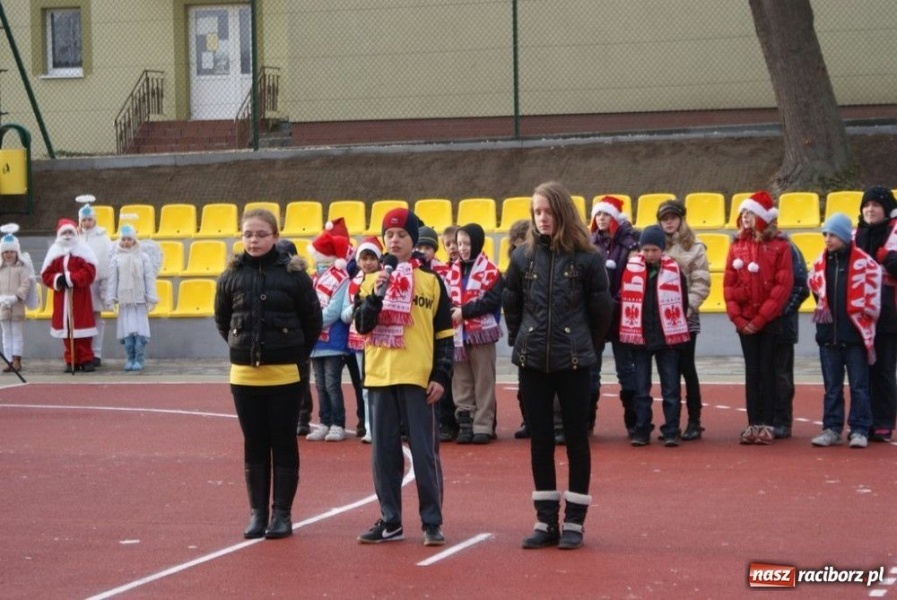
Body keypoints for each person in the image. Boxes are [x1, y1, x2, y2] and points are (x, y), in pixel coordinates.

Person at [502, 181, 612, 550]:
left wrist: (584, 347)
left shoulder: (588, 259)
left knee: (577, 440)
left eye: (548, 211)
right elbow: (512, 304)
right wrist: (523, 339)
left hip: (575, 363)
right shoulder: (522, 257)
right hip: (532, 362)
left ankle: (575, 523)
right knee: (541, 441)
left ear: (563, 212)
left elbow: (601, 313)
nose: (542, 218)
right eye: (537, 212)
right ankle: (545, 520)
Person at [215, 208, 322, 540]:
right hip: (244, 377)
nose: (254, 240)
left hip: (286, 375)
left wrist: (291, 354)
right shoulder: (230, 276)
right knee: (255, 443)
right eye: (248, 234)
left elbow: (312, 321)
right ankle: (257, 513)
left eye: (261, 234)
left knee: (284, 442)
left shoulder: (294, 275)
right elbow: (222, 320)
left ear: (275, 236)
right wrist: (241, 346)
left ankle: (282, 514)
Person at [355, 207, 453, 547]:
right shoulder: (369, 280)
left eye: (402, 235)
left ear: (413, 240)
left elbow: (444, 334)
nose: (395, 240)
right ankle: (390, 519)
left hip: (418, 379)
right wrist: (376, 295)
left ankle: (432, 522)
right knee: (384, 456)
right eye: (390, 235)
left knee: (424, 453)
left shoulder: (431, 281)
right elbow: (362, 325)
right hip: (381, 377)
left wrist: (441, 374)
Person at [723, 191, 793, 445]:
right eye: (743, 213)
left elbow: (781, 287)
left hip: (769, 322)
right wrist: (740, 321)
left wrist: (760, 319)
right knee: (752, 372)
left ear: (762, 217)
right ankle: (753, 423)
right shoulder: (736, 246)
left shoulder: (780, 247)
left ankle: (768, 423)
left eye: (750, 213)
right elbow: (729, 286)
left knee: (768, 371)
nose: (745, 217)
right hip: (745, 323)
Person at [808, 212, 881, 449]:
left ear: (844, 236)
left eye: (832, 234)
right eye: (825, 234)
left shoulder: (864, 264)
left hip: (855, 336)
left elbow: (872, 300)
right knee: (832, 387)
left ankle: (859, 429)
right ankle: (831, 428)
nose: (827, 239)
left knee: (859, 386)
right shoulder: (820, 264)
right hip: (829, 336)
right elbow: (818, 294)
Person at [620, 225, 691, 446]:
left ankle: (671, 429)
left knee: (670, 388)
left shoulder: (673, 271)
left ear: (662, 249)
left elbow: (683, 301)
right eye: (646, 249)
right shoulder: (631, 270)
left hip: (666, 339)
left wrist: (674, 326)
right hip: (640, 339)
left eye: (654, 249)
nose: (649, 254)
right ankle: (642, 429)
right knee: (641, 389)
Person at [656, 200, 710, 441]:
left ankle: (695, 421)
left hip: (686, 318)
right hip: (661, 320)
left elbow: (701, 282)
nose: (669, 222)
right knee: (668, 372)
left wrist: (688, 308)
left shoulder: (696, 248)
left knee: (687, 368)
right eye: (664, 218)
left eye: (673, 217)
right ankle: (672, 423)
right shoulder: (654, 246)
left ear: (681, 219)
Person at [447, 223, 503, 444]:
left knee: (483, 380)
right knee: (461, 381)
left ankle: (484, 425)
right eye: (459, 243)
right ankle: (465, 423)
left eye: (467, 243)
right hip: (457, 334)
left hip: (482, 334)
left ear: (477, 243)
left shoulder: (491, 271)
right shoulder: (451, 271)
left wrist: (464, 311)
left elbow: (491, 301)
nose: (462, 248)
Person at [589, 195, 639, 437]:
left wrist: (613, 304)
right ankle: (588, 419)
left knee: (626, 370)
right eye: (598, 214)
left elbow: (631, 280)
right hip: (597, 318)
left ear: (615, 218)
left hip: (621, 315)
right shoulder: (589, 245)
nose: (600, 218)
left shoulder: (630, 245)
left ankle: (634, 420)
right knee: (591, 371)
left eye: (605, 214)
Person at [853, 186, 897, 442]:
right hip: (859, 315)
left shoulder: (894, 233)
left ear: (886, 209)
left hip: (889, 315)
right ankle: (862, 420)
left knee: (883, 370)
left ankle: (882, 421)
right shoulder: (853, 235)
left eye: (876, 205)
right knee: (861, 372)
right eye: (866, 205)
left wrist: (887, 258)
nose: (870, 210)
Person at [306, 218, 353, 442]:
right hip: (316, 341)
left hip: (332, 340)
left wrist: (310, 322)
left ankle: (338, 423)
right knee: (320, 383)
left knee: (332, 383)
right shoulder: (314, 278)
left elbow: (334, 311)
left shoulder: (341, 278)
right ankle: (324, 422)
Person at [417, 225, 458, 442]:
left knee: (442, 378)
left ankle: (447, 422)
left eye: (428, 247)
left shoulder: (442, 271)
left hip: (436, 330)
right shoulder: (408, 270)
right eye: (420, 246)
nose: (424, 251)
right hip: (418, 334)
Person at [41, 219, 99, 373]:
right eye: (64, 233)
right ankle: (71, 360)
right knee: (67, 331)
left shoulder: (83, 251)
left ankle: (86, 358)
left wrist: (70, 279)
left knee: (82, 329)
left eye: (70, 232)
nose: (67, 236)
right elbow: (46, 274)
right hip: (62, 298)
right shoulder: (55, 252)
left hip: (80, 297)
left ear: (75, 233)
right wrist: (58, 280)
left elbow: (89, 272)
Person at [341, 235, 384, 444]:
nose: (367, 262)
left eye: (371, 258)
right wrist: (355, 308)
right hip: (358, 340)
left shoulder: (383, 279)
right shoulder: (353, 283)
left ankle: (384, 426)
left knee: (381, 386)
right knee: (365, 387)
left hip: (381, 339)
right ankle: (369, 428)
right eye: (363, 258)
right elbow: (344, 315)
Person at [275, 239, 315, 438]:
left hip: (296, 337)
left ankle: (303, 417)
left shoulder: (301, 279)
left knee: (301, 380)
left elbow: (310, 313)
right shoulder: (269, 276)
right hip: (277, 339)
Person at [106, 223, 159, 371]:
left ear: (135, 240)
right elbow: (113, 280)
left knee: (139, 332)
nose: (126, 242)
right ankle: (130, 358)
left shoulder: (143, 257)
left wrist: (151, 297)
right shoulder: (116, 258)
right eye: (123, 239)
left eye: (129, 239)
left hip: (139, 301)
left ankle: (139, 359)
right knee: (128, 333)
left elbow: (148, 277)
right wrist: (111, 298)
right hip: (125, 302)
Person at [772, 238, 810, 439]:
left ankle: (782, 421)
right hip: (758, 325)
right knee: (758, 374)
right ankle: (761, 420)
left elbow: (801, 286)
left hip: (782, 324)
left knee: (781, 374)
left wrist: (779, 311)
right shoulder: (746, 246)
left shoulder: (788, 247)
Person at [76, 195, 113, 368]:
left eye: (89, 219)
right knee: (82, 319)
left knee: (96, 317)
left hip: (96, 284)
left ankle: (96, 353)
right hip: (79, 285)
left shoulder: (102, 238)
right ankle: (83, 353)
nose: (87, 223)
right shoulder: (76, 237)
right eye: (84, 220)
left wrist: (104, 284)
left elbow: (106, 260)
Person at [505, 218, 533, 439]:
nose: (519, 248)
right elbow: (512, 303)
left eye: (523, 241)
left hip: (539, 328)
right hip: (524, 330)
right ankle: (528, 420)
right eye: (515, 243)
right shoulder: (514, 265)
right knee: (524, 382)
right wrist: (514, 334)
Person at [0, 224, 35, 373]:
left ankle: (17, 360)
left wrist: (15, 297)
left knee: (16, 333)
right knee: (6, 334)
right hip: (2, 306)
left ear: (16, 252)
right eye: (6, 251)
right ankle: (8, 360)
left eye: (11, 251)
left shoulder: (21, 267)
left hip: (17, 305)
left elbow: (26, 284)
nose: (9, 254)